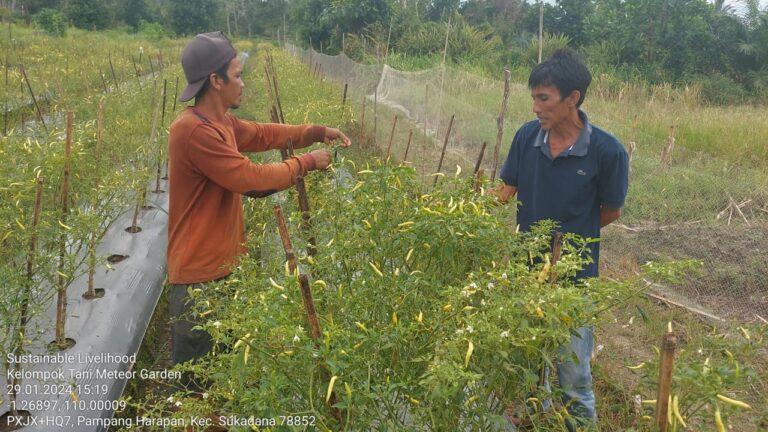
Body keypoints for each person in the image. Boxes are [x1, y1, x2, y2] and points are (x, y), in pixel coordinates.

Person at [167, 31, 351, 384]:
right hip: (199, 282)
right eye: (236, 75)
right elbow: (251, 179)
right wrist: (308, 163)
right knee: (200, 391)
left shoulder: (222, 124)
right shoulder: (192, 131)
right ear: (215, 81)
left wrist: (315, 131)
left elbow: (266, 134)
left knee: (224, 380)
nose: (242, 83)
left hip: (221, 271)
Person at [494, 49, 629, 430]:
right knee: (528, 367)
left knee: (574, 377)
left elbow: (611, 210)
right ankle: (534, 421)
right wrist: (464, 214)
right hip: (525, 270)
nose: (536, 107)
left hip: (575, 279)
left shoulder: (607, 151)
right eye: (534, 97)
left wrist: (573, 239)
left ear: (573, 98)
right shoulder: (526, 137)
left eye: (544, 98)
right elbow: (508, 187)